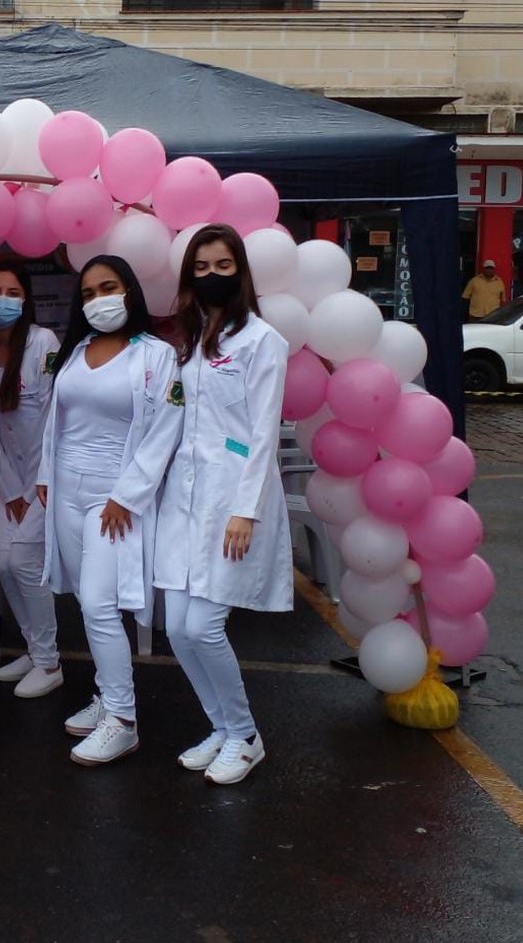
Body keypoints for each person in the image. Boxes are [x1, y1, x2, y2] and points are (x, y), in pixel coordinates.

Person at [155, 223, 292, 785]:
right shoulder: (189, 341)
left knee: (206, 626)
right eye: (202, 267)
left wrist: (245, 510)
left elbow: (263, 435)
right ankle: (222, 726)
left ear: (240, 273)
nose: (212, 275)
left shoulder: (262, 341)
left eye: (223, 266)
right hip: (185, 499)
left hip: (233, 500)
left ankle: (246, 735)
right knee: (177, 628)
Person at [36, 255, 184, 766]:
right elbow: (56, 421)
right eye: (89, 293)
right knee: (85, 600)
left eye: (108, 287)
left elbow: (166, 429)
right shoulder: (76, 351)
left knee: (100, 604)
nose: (99, 300)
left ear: (130, 292)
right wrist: (44, 476)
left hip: (113, 496)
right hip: (66, 490)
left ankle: (123, 719)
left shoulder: (156, 355)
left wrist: (129, 494)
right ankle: (107, 694)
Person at [0, 262, 63, 700]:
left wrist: (32, 488)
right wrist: (10, 489)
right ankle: (34, 649)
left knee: (24, 565)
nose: (3, 300)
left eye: (12, 293)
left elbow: (54, 417)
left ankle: (50, 663)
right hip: (2, 477)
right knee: (3, 566)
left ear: (26, 299)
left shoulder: (42, 343)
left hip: (43, 479)